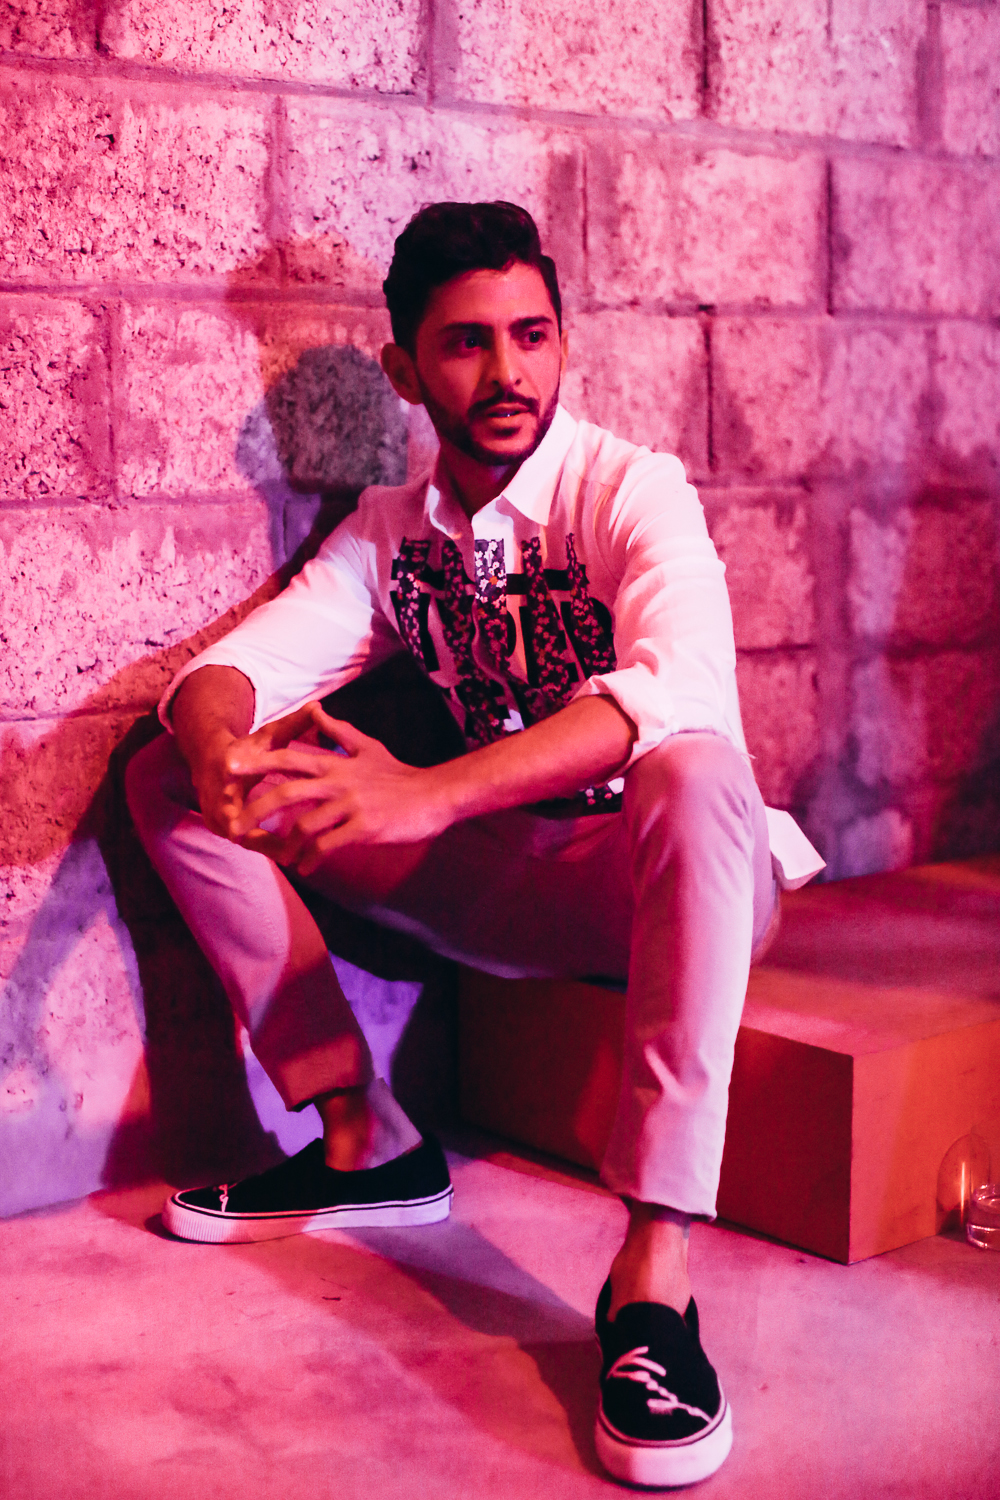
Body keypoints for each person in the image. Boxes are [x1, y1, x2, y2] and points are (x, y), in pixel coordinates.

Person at [126, 200, 822, 1488]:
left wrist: (431, 795)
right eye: (466, 343)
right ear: (407, 369)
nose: (508, 373)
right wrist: (222, 745)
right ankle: (366, 1135)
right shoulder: (391, 532)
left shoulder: (631, 491)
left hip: (658, 875)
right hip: (505, 875)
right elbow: (230, 673)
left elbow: (675, 692)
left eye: (531, 335)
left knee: (694, 767)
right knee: (169, 772)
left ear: (561, 343)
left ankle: (654, 1280)